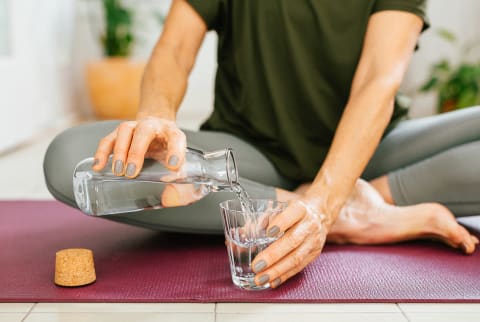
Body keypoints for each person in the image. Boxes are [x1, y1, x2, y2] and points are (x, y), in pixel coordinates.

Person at [44, 0, 480, 289]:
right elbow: (175, 49)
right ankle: (348, 215)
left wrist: (325, 202)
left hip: (371, 151)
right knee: (71, 159)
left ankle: (356, 201)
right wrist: (156, 116)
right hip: (247, 156)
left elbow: (378, 80)